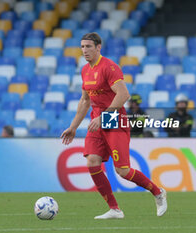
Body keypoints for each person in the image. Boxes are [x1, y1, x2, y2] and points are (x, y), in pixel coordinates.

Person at [61, 32, 167, 219]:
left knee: (122, 171)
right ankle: (115, 209)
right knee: (92, 162)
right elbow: (85, 101)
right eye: (82, 47)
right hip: (97, 119)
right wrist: (73, 126)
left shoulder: (109, 67)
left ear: (98, 47)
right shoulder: (85, 70)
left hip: (114, 119)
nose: (84, 50)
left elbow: (123, 95)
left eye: (88, 47)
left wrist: (103, 117)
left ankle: (158, 192)